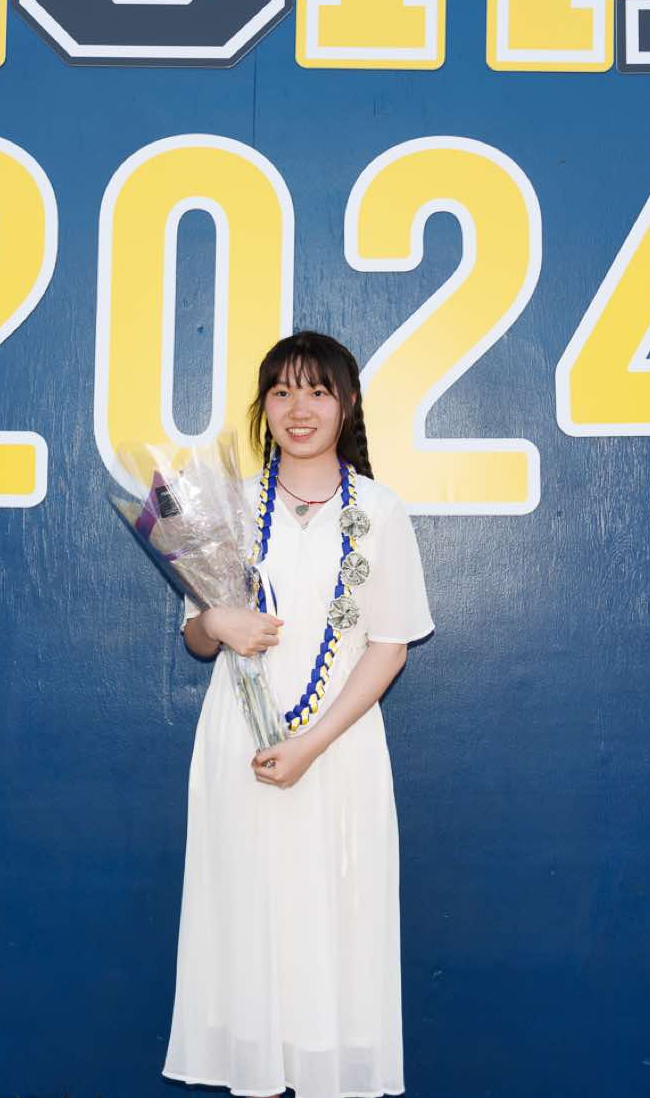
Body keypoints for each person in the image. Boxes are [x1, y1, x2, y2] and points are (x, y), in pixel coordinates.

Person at [164, 330, 435, 1098]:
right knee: (247, 917)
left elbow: (389, 646)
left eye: (317, 390)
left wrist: (312, 743)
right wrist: (216, 622)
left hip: (338, 748)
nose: (299, 407)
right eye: (282, 391)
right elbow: (194, 635)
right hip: (240, 749)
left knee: (334, 921)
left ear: (346, 403)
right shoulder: (227, 504)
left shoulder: (379, 509)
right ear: (264, 407)